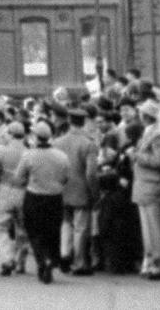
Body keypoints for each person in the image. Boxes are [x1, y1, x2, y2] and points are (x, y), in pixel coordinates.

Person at [15, 120, 69, 284]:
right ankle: (52, 259)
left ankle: (41, 260)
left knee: (35, 232)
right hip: (55, 197)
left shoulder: (28, 155)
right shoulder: (61, 156)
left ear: (36, 137)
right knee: (52, 232)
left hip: (34, 197)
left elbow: (19, 178)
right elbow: (66, 178)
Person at [132, 99, 160, 279]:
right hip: (146, 185)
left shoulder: (158, 135)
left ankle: (159, 263)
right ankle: (151, 261)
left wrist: (137, 156)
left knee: (155, 228)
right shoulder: (151, 132)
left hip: (154, 185)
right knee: (148, 228)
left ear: (145, 116)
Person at [55, 108, 99, 274]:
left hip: (62, 187)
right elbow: (91, 173)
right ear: (84, 122)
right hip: (81, 189)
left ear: (69, 120)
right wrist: (94, 192)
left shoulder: (57, 142)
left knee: (65, 223)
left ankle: (64, 253)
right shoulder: (89, 143)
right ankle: (79, 262)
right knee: (80, 227)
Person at [0, 120, 30, 276]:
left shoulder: (0, 151)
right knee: (23, 228)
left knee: (1, 227)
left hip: (5, 189)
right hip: (24, 191)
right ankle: (21, 262)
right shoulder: (29, 151)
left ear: (10, 134)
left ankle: (7, 259)